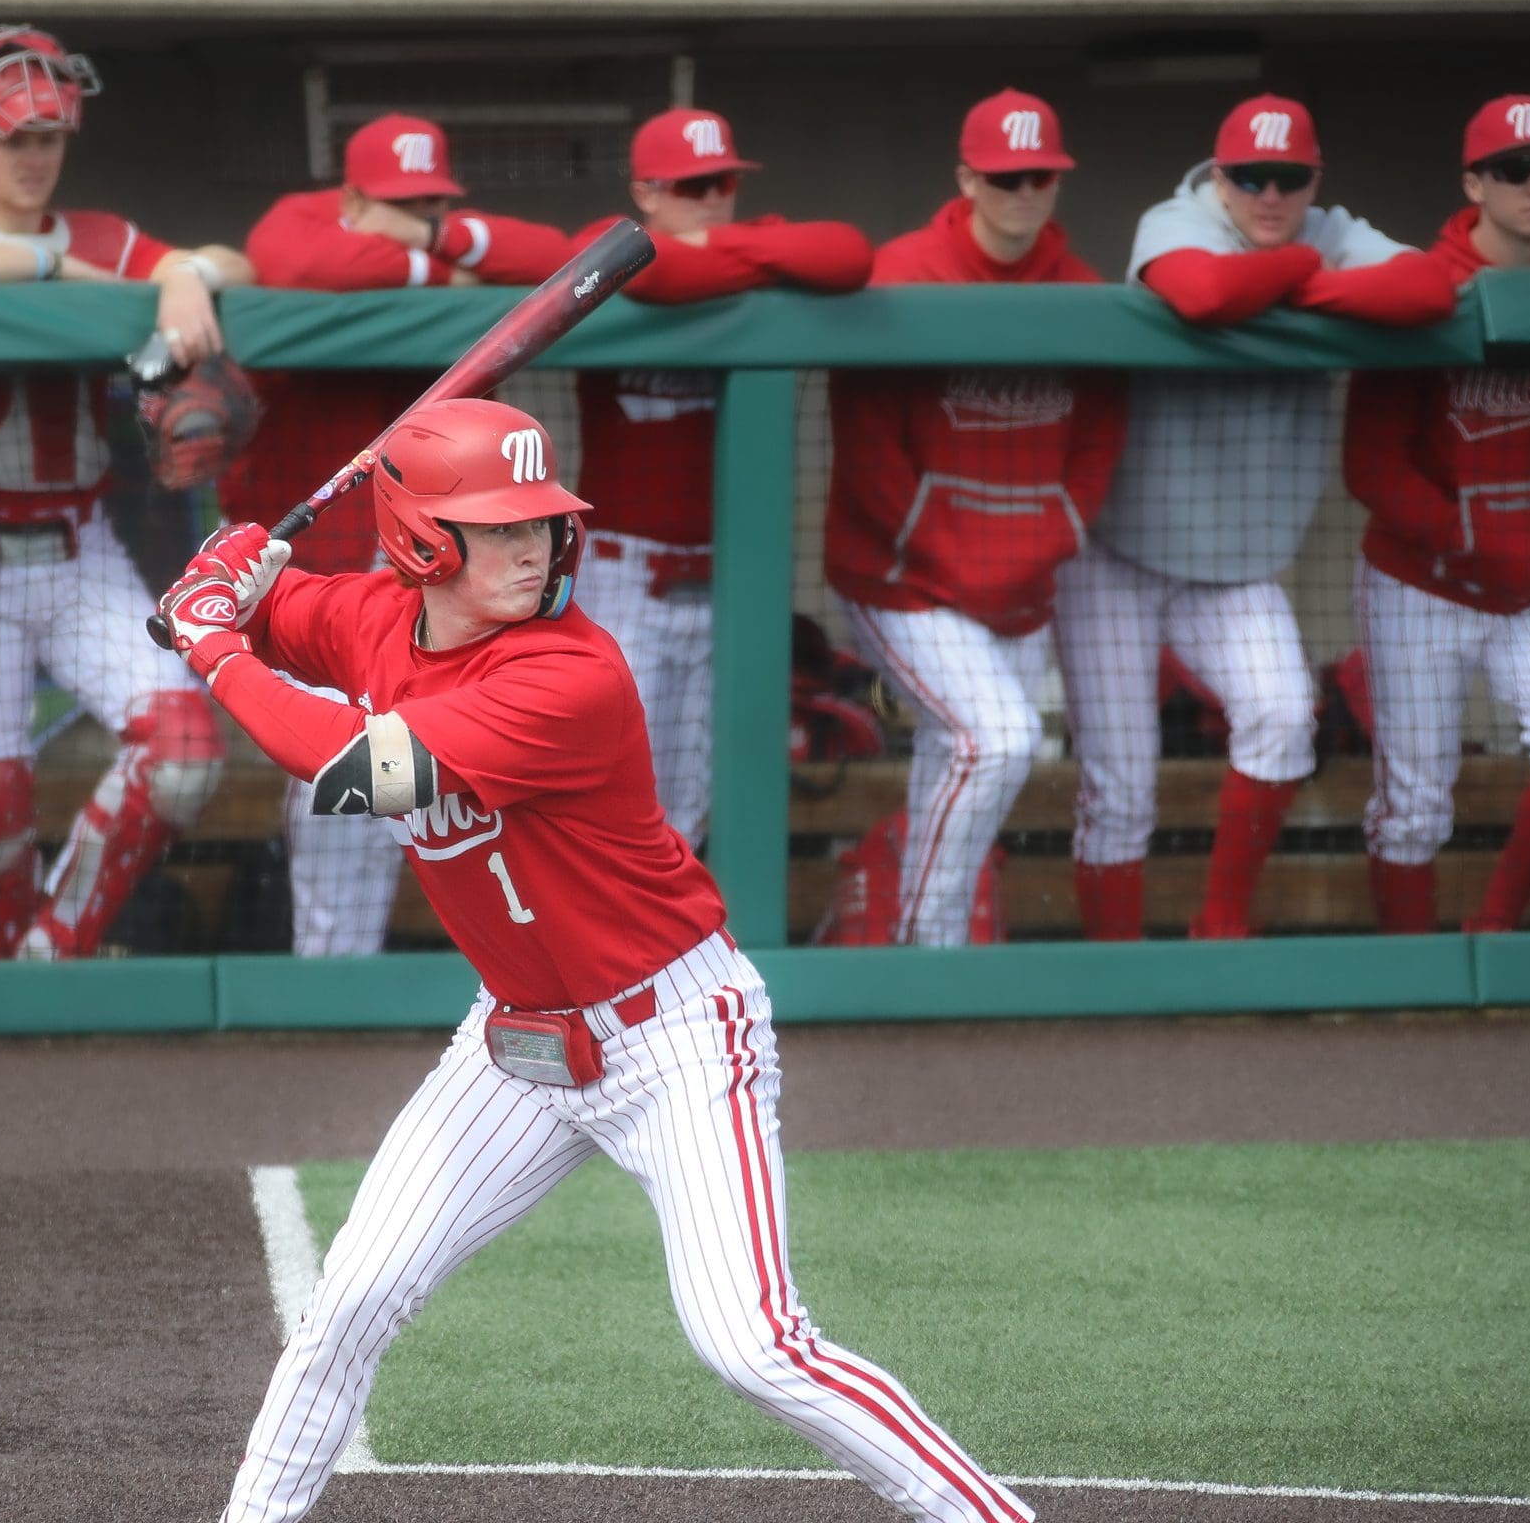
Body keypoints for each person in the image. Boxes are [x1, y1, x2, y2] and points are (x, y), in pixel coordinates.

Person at [133, 399, 1086, 1523]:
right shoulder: (369, 616)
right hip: (515, 1043)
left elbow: (358, 771)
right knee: (352, 1294)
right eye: (498, 530)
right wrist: (229, 567)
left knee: (749, 1340)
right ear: (419, 547)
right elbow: (279, 594)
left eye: (543, 524)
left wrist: (214, 650)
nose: (534, 549)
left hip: (676, 1031)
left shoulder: (566, 674)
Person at [0, 24, 253, 959]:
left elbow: (237, 264)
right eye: (12, 140)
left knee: (183, 752)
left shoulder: (107, 235)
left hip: (82, 545)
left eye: (48, 139)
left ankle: (55, 950)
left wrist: (182, 277)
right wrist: (55, 267)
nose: (33, 158)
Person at [1060, 95, 1456, 941]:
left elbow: (1431, 284)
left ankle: (1219, 930)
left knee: (1282, 716)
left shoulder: (1328, 227)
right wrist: (1318, 285)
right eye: (1249, 178)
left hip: (1235, 563)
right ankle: (1112, 974)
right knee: (1119, 787)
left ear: (1313, 180)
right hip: (1114, 554)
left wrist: (1290, 290)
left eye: (1288, 180)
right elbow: (1201, 293)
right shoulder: (1176, 218)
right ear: (1219, 175)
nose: (1269, 197)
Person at [222, 113, 571, 955]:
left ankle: (369, 969)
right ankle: (329, 975)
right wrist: (433, 269)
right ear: (348, 195)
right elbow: (298, 259)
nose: (417, 218)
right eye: (396, 203)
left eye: (431, 204)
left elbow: (559, 257)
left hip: (408, 559)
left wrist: (441, 240)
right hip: (297, 562)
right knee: (343, 790)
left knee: (404, 780)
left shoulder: (449, 243)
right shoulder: (304, 221)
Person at [823, 91, 1122, 945]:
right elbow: (869, 451)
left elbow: (1100, 440)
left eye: (1039, 177)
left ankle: (932, 949)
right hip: (903, 581)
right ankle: (925, 942)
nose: (1022, 192)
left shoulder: (1081, 290)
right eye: (1003, 177)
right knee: (997, 741)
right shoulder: (904, 272)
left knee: (957, 750)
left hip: (1022, 580)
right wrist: (956, 558)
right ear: (966, 178)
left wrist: (1051, 534)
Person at [1343, 96, 1530, 934]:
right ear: (1473, 183)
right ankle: (1407, 976)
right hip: (1420, 583)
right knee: (1413, 801)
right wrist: (1462, 534)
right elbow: (1370, 463)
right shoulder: (1429, 287)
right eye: (1512, 169)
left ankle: (1493, 925)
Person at [570, 107, 870, 848]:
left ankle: (664, 960)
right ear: (645, 191)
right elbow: (633, 266)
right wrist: (751, 256)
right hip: (621, 577)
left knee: (695, 800)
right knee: (604, 783)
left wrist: (719, 246)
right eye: (690, 187)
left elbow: (848, 255)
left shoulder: (760, 236)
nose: (710, 198)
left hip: (727, 578)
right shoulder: (608, 243)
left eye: (721, 184)